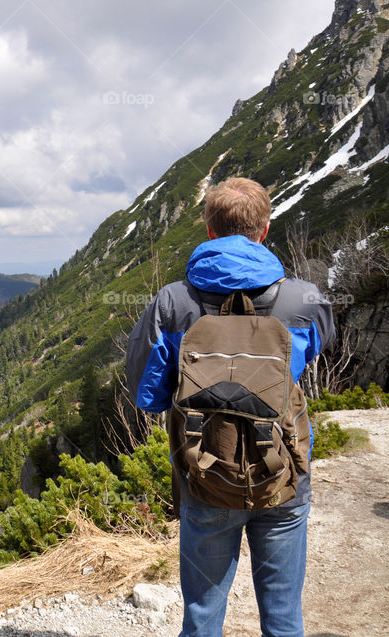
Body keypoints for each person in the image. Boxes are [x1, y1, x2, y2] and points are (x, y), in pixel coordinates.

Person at [125, 177, 334, 636]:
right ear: (265, 229)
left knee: (202, 617)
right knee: (283, 618)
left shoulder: (173, 302)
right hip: (284, 472)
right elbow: (315, 349)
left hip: (206, 474)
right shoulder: (305, 299)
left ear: (209, 230)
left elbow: (147, 393)